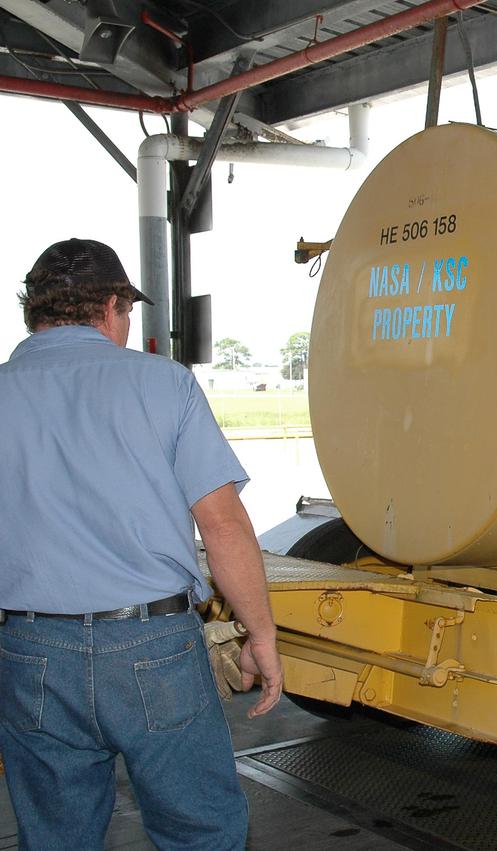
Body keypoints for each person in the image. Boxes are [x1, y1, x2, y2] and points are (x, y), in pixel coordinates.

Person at [0, 238, 284, 849]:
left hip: (30, 651)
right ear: (111, 306)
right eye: (127, 313)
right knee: (198, 830)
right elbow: (223, 525)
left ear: (36, 313)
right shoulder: (166, 385)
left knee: (53, 835)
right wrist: (259, 636)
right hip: (153, 647)